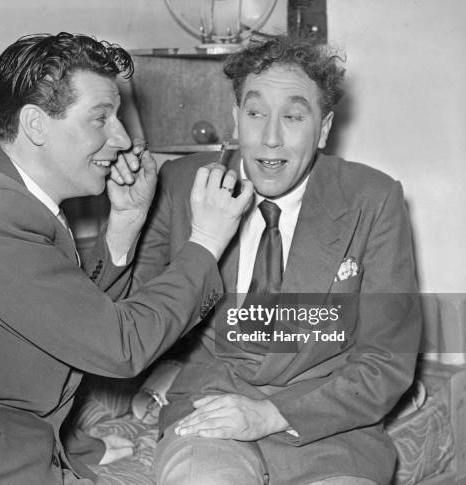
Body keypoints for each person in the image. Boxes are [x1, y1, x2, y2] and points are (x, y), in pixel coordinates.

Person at [0, 33, 253, 484]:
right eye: (100, 119)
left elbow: (71, 325)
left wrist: (125, 221)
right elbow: (118, 348)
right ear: (36, 125)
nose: (122, 138)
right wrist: (205, 241)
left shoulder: (9, 199)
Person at [131, 35, 422, 485]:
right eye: (255, 113)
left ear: (323, 128)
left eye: (292, 116)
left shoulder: (374, 198)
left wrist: (271, 413)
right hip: (212, 415)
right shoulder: (182, 183)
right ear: (235, 118)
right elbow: (128, 317)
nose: (270, 137)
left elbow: (386, 358)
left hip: (330, 430)